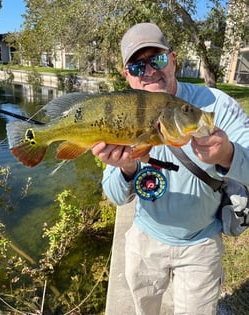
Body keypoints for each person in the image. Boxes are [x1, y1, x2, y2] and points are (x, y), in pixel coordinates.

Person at [92, 23, 249, 315]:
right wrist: (125, 165)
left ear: (173, 60)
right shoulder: (121, 112)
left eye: (158, 59)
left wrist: (228, 154)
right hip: (145, 241)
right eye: (137, 67)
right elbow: (115, 196)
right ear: (127, 76)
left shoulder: (217, 107)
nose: (149, 71)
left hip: (200, 243)